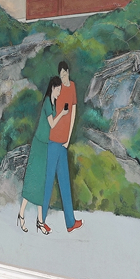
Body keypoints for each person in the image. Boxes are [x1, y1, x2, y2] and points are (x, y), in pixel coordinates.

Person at [42, 61, 83, 233]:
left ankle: (70, 222)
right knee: (48, 181)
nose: (63, 78)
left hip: (63, 142)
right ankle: (41, 220)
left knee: (65, 182)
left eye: (64, 74)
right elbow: (50, 112)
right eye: (61, 75)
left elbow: (73, 113)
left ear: (68, 71)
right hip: (53, 140)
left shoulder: (72, 87)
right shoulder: (57, 89)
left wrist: (68, 138)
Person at [17, 76, 59, 234]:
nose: (59, 92)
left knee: (42, 182)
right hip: (39, 144)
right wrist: (62, 114)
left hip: (46, 145)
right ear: (53, 88)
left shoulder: (54, 103)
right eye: (58, 89)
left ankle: (40, 221)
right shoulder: (48, 102)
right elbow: (52, 124)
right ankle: (21, 214)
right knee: (33, 178)